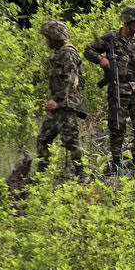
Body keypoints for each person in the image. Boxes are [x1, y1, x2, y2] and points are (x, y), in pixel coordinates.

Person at [84, 5, 135, 174]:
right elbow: (88, 50)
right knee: (117, 128)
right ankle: (116, 165)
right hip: (119, 88)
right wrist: (100, 59)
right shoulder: (111, 39)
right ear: (127, 22)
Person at [36, 20, 88, 182]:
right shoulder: (58, 53)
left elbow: (71, 80)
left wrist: (57, 100)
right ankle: (42, 176)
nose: (46, 41)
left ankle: (82, 175)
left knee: (71, 141)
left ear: (54, 36)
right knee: (43, 138)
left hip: (65, 106)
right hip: (58, 106)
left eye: (48, 37)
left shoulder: (68, 53)